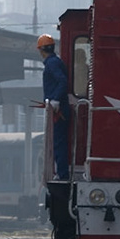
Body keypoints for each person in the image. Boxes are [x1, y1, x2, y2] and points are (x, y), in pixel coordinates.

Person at [36, 34, 71, 180]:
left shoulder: (52, 64)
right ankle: (61, 172)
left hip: (58, 110)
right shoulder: (55, 62)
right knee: (57, 142)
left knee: (58, 142)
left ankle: (62, 174)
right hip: (58, 108)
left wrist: (55, 99)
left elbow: (62, 81)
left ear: (40, 50)